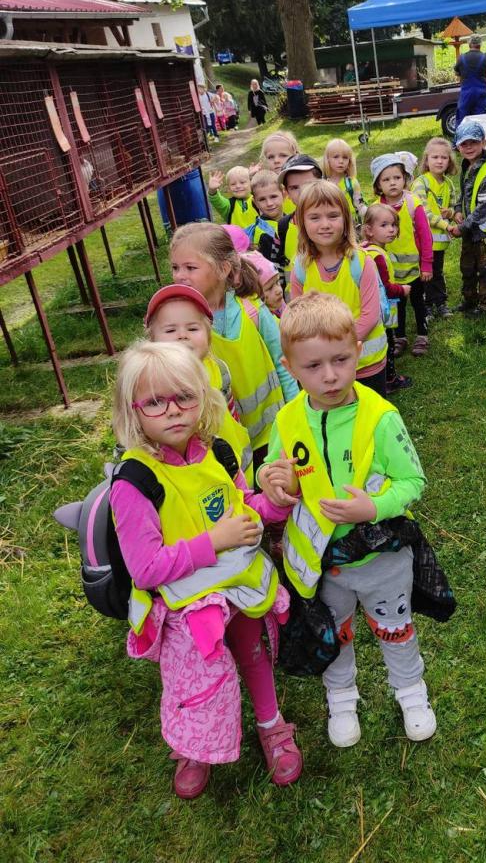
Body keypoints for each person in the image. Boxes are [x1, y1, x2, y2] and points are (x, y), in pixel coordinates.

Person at [110, 340, 302, 798]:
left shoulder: (217, 452)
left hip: (236, 590)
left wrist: (274, 505)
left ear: (203, 396)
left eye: (185, 397)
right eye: (155, 402)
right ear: (132, 411)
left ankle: (271, 725)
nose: (173, 410)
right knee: (196, 678)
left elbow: (242, 509)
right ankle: (193, 745)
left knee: (252, 654)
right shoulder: (134, 482)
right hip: (187, 609)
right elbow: (146, 569)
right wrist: (213, 542)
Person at [258, 291, 437, 748]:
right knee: (333, 633)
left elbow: (413, 480)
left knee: (395, 629)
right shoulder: (287, 421)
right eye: (313, 366)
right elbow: (277, 471)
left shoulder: (380, 418)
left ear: (358, 350)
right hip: (322, 566)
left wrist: (372, 508)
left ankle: (410, 691)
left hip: (382, 559)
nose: (330, 376)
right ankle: (341, 698)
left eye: (340, 360)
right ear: (290, 366)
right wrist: (273, 481)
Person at [169, 223, 298, 469]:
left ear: (224, 269)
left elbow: (283, 362)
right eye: (175, 267)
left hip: (272, 434)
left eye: (190, 267)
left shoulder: (252, 310)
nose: (180, 275)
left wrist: (295, 413)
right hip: (222, 444)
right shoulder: (180, 327)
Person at [289, 181, 387, 395]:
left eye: (333, 216)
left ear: (345, 219)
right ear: (301, 222)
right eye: (315, 217)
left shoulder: (361, 262)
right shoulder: (300, 268)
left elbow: (370, 316)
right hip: (324, 371)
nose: (325, 224)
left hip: (366, 365)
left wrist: (335, 353)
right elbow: (296, 317)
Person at [144, 283, 252, 475]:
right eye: (170, 331)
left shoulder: (219, 369)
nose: (182, 336)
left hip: (236, 468)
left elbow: (231, 416)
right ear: (152, 340)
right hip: (194, 481)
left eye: (193, 329)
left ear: (209, 336)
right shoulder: (147, 385)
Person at [371, 154, 432, 358]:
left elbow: (425, 235)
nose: (392, 183)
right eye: (386, 179)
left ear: (405, 178)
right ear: (378, 185)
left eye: (397, 177)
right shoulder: (375, 209)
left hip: (415, 269)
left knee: (418, 301)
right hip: (389, 272)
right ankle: (400, 337)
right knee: (396, 304)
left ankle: (422, 335)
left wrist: (427, 265)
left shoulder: (413, 203)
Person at [448, 120, 486, 316]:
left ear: (484, 143)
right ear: (458, 147)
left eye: (474, 142)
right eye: (464, 144)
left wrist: (462, 227)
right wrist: (457, 209)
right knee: (467, 266)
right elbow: (464, 194)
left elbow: (484, 207)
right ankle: (470, 300)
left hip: (485, 232)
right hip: (470, 229)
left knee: (485, 269)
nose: (469, 147)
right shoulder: (467, 166)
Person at [361, 203, 412, 394]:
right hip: (382, 309)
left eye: (393, 225)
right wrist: (403, 290)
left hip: (373, 306)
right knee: (388, 342)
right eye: (384, 225)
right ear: (369, 230)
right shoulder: (377, 256)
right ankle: (389, 380)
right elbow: (386, 288)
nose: (391, 229)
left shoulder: (366, 249)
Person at [412, 138, 456, 321]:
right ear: (426, 159)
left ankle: (440, 303)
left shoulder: (449, 184)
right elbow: (424, 214)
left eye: (444, 157)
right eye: (435, 157)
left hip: (439, 242)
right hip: (423, 241)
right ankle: (426, 306)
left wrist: (451, 212)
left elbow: (453, 206)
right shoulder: (421, 183)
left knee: (437, 272)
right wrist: (447, 225)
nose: (439, 161)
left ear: (449, 161)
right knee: (424, 273)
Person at [277, 154, 323, 280]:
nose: (302, 191)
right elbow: (279, 264)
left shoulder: (335, 221)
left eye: (308, 184)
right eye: (294, 188)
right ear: (287, 192)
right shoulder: (283, 226)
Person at [322, 138, 367, 230]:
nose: (341, 161)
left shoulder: (352, 182)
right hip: (329, 226)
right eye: (336, 157)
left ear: (350, 161)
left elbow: (360, 205)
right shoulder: (322, 183)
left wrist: (371, 215)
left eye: (345, 157)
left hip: (351, 226)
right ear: (327, 159)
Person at [454, 35, 486, 125]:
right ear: (480, 45)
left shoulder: (461, 58)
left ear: (469, 44)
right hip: (480, 94)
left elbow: (457, 73)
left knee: (462, 120)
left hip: (466, 94)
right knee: (479, 120)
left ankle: (462, 133)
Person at [247, 170, 284, 273]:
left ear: (284, 194)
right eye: (262, 199)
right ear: (255, 202)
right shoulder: (263, 235)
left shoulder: (291, 220)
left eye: (273, 196)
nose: (269, 203)